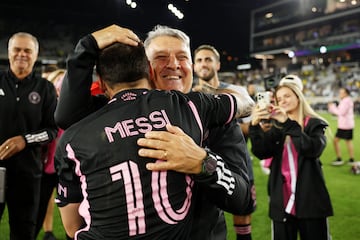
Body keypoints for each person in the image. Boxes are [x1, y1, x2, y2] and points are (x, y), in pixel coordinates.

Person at [55, 24, 252, 240]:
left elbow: (243, 200)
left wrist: (204, 163)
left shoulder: (213, 116)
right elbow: (66, 115)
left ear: (192, 66)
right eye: (161, 57)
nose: (174, 64)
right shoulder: (106, 111)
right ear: (146, 67)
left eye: (182, 57)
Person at [249, 76, 333, 240]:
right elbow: (261, 152)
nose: (283, 100)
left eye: (287, 96)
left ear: (298, 96)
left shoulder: (314, 124)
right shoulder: (279, 127)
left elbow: (312, 149)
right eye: (279, 98)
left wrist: (288, 123)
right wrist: (254, 126)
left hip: (310, 199)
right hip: (282, 200)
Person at [193, 44, 256, 240]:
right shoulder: (189, 92)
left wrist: (230, 123)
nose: (204, 63)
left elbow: (248, 127)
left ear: (218, 64)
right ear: (194, 66)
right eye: (200, 60)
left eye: (208, 59)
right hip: (202, 164)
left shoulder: (236, 91)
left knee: (242, 211)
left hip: (237, 160)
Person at [0, 32, 58, 240]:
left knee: (24, 232)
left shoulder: (45, 88)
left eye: (27, 50)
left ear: (35, 54)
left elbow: (51, 130)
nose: (22, 54)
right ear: (8, 52)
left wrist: (25, 140)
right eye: (17, 49)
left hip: (27, 174)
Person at [35, 68, 66, 240]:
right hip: (47, 166)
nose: (62, 84)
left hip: (67, 167)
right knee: (44, 202)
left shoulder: (74, 107)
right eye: (58, 81)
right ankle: (47, 231)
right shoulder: (46, 107)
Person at [328, 87, 355, 166]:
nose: (340, 94)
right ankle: (351, 159)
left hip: (345, 125)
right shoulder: (346, 101)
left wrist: (332, 107)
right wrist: (332, 108)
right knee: (348, 141)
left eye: (341, 93)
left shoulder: (346, 101)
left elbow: (341, 112)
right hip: (347, 124)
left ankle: (339, 158)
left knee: (336, 141)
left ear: (346, 93)